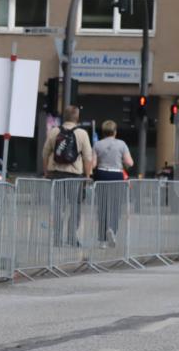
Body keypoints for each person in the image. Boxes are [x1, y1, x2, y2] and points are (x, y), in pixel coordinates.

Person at [42, 105, 93, 246]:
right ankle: (71, 236)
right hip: (75, 176)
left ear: (64, 116)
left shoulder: (54, 131)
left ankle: (57, 238)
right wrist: (87, 176)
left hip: (55, 175)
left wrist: (46, 172)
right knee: (75, 206)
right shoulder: (82, 134)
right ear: (77, 117)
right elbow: (88, 157)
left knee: (58, 206)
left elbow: (45, 153)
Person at [92, 120, 134, 246]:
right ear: (115, 131)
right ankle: (112, 231)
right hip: (116, 175)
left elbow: (93, 164)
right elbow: (130, 162)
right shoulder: (121, 144)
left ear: (103, 132)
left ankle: (102, 241)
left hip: (101, 174)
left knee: (102, 207)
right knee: (115, 206)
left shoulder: (97, 144)